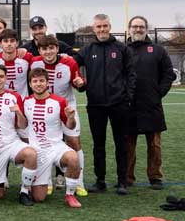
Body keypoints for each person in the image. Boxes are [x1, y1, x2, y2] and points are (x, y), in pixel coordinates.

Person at [74, 14, 136, 194]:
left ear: (110, 27)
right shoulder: (87, 50)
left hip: (119, 104)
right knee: (98, 144)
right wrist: (80, 82)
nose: (102, 30)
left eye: (105, 26)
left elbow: (131, 74)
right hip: (96, 104)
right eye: (98, 27)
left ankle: (122, 181)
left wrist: (128, 97)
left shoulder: (122, 49)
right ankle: (100, 180)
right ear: (93, 29)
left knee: (121, 143)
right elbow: (71, 65)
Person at [29, 35, 88, 196]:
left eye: (51, 48)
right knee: (43, 143)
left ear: (57, 48)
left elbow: (79, 82)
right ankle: (46, 181)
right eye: (44, 48)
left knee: (74, 142)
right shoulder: (33, 62)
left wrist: (80, 83)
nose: (48, 52)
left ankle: (79, 182)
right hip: (43, 107)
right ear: (39, 50)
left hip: (66, 106)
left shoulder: (69, 62)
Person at [125, 16, 176, 190]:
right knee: (128, 144)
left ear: (146, 29)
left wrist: (159, 92)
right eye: (135, 26)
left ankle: (155, 176)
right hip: (128, 106)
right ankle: (127, 177)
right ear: (129, 29)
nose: (138, 29)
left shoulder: (158, 50)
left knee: (154, 144)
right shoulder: (122, 49)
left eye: (141, 26)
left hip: (151, 104)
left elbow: (169, 74)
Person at [0, 65, 37, 203]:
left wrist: (18, 112)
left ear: (6, 78)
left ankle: (24, 191)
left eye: (1, 76)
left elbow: (22, 125)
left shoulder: (14, 96)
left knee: (31, 153)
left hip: (11, 143)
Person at [23, 68, 82, 208]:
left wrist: (71, 118)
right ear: (30, 84)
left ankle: (70, 194)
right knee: (39, 198)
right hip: (37, 150)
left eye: (42, 81)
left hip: (56, 146)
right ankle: (31, 186)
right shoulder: (25, 102)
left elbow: (70, 126)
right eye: (35, 81)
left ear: (47, 83)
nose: (38, 84)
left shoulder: (59, 101)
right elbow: (21, 125)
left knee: (73, 158)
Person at [0, 28, 33, 97]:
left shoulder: (27, 57)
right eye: (6, 41)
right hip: (2, 102)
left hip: (23, 101)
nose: (9, 44)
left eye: (12, 41)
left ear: (17, 43)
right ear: (0, 44)